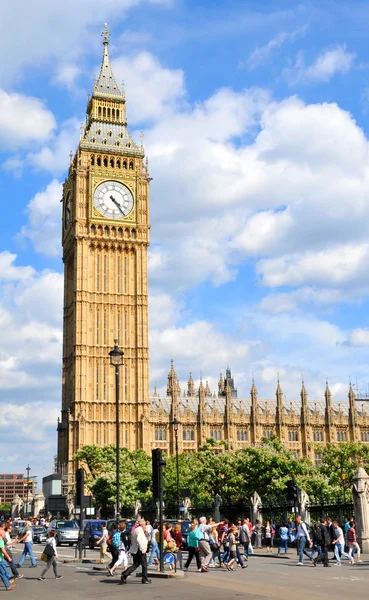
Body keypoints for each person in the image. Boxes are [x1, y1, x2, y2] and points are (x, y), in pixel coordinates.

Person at [120, 519, 151, 585]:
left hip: (135, 549)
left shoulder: (137, 530)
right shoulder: (140, 531)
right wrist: (143, 549)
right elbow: (139, 539)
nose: (146, 526)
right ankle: (144, 579)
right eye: (145, 525)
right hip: (140, 550)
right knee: (144, 565)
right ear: (142, 525)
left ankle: (125, 574)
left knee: (136, 564)